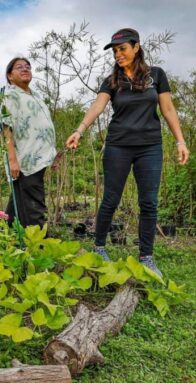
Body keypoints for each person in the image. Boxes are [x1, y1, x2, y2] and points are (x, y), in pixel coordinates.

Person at [65, 28, 190, 277]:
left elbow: (167, 109)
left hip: (150, 147)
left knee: (149, 203)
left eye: (122, 49)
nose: (118, 54)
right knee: (110, 199)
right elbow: (98, 105)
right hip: (118, 146)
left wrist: (180, 141)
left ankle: (146, 256)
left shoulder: (156, 75)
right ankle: (99, 247)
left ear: (136, 47)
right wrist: (80, 130)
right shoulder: (112, 81)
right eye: (114, 51)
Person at [2, 57, 57, 229]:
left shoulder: (36, 95)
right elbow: (6, 127)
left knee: (19, 199)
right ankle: (39, 243)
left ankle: (7, 233)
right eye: (19, 67)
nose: (25, 69)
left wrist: (52, 155)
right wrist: (12, 160)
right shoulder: (10, 95)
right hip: (26, 158)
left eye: (27, 67)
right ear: (10, 76)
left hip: (39, 156)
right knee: (34, 203)